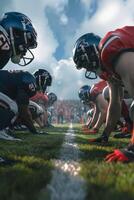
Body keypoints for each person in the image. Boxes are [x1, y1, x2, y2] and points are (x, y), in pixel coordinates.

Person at [73, 27, 134, 162]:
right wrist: (105, 134)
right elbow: (115, 103)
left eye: (85, 64)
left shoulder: (109, 48)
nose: (88, 69)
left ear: (91, 54)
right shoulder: (110, 71)